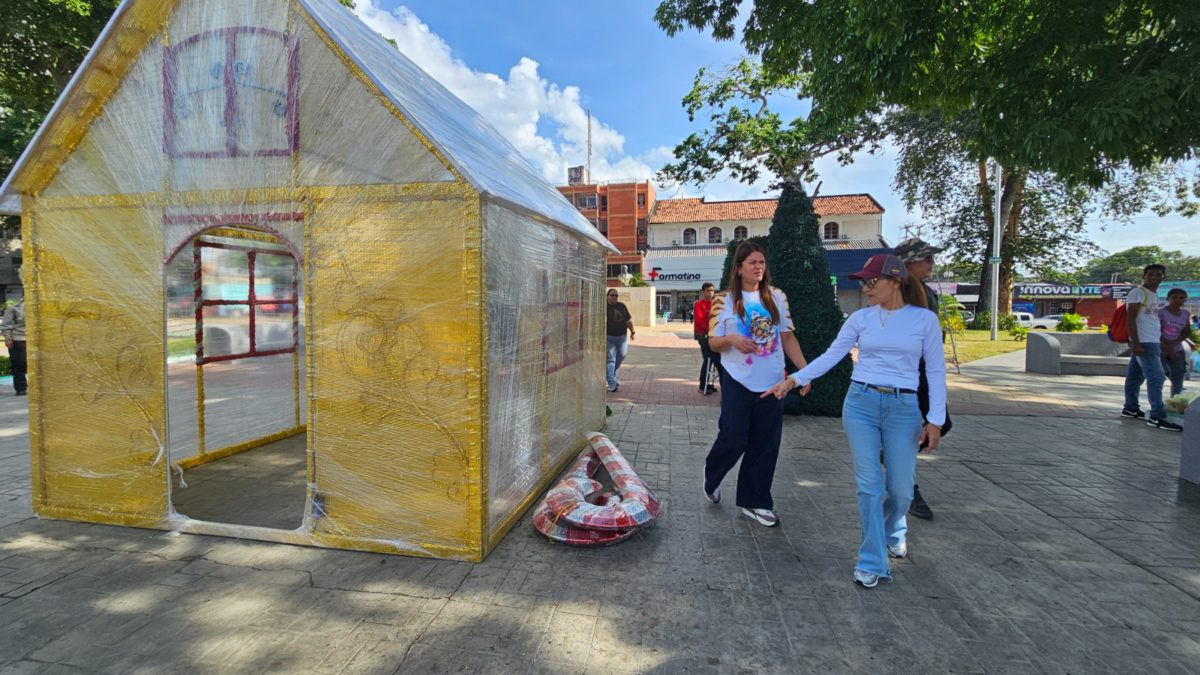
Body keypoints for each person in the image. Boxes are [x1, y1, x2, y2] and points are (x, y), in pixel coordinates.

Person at [764, 254, 946, 588]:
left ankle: (895, 528)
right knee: (869, 486)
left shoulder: (924, 320)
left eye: (872, 282)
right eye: (863, 282)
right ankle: (872, 560)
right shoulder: (861, 319)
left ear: (896, 281)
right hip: (861, 404)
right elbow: (832, 355)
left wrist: (935, 419)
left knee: (901, 491)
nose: (866, 288)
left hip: (903, 408)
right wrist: (794, 380)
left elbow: (935, 370)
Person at [703, 242, 810, 527]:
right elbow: (713, 342)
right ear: (739, 268)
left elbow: (787, 337)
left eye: (761, 262)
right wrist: (732, 339)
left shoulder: (777, 297)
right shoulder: (724, 300)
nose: (758, 267)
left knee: (766, 443)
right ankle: (712, 475)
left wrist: (804, 371)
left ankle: (756, 501)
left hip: (772, 383)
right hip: (737, 380)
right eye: (752, 262)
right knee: (734, 437)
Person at [892, 236, 954, 521]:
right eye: (925, 258)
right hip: (906, 373)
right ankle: (907, 486)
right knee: (915, 427)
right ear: (908, 262)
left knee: (939, 423)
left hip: (924, 371)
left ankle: (894, 460)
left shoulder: (926, 292)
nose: (931, 263)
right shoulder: (897, 292)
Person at [1122, 265, 1182, 431]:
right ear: (1144, 276)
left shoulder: (1153, 295)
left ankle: (1130, 408)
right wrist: (1136, 343)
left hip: (1151, 341)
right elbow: (1130, 319)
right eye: (1150, 274)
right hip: (1144, 342)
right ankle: (1157, 416)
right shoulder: (1138, 292)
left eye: (1158, 274)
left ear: (1163, 277)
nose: (1154, 277)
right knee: (1157, 377)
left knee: (1135, 377)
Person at [1158, 288, 1191, 397]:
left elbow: (1186, 331)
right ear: (1168, 298)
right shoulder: (1161, 312)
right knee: (1159, 377)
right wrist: (1167, 348)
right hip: (1161, 349)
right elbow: (1156, 330)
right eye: (1174, 297)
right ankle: (1157, 403)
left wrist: (1173, 345)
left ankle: (1175, 401)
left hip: (1177, 349)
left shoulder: (1185, 313)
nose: (1178, 300)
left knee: (1178, 378)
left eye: (1181, 298)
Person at [693, 282, 721, 395]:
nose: (710, 293)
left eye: (712, 290)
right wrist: (711, 331)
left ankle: (706, 384)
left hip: (714, 336)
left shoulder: (716, 304)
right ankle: (702, 385)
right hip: (703, 336)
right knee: (710, 359)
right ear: (703, 292)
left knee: (710, 360)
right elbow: (699, 321)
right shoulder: (699, 304)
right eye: (708, 290)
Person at [605, 289, 634, 393]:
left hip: (622, 337)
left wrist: (632, 331)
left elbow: (628, 321)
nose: (614, 297)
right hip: (609, 337)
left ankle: (611, 375)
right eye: (612, 295)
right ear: (607, 296)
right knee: (610, 360)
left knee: (622, 356)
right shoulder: (603, 307)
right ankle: (612, 383)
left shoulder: (622, 306)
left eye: (616, 295)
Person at [1, 297, 26, 396]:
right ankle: (21, 388)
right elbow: (6, 325)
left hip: (35, 340)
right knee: (19, 366)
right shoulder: (14, 308)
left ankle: (23, 388)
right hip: (19, 339)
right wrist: (8, 338)